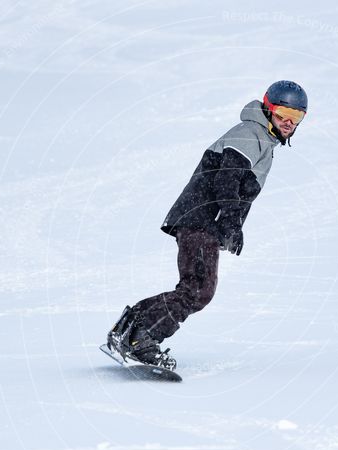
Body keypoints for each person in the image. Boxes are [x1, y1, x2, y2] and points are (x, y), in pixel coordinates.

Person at [106, 80, 308, 370]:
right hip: (201, 219)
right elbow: (226, 178)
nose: (289, 122)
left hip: (201, 220)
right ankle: (142, 339)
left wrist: (231, 224)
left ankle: (130, 331)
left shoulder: (261, 139)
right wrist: (229, 223)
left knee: (195, 287)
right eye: (283, 113)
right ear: (268, 108)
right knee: (198, 289)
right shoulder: (250, 134)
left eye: (297, 117)